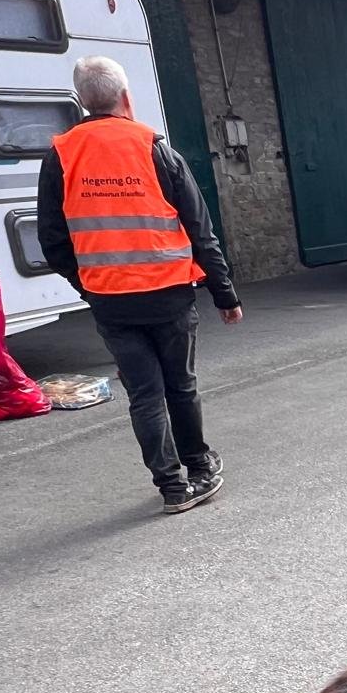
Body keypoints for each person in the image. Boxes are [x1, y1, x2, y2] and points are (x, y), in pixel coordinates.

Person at [38, 55, 242, 514]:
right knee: (180, 385)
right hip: (169, 295)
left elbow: (52, 240)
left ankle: (172, 488)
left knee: (145, 395)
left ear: (80, 101)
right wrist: (224, 294)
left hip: (110, 301)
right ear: (126, 98)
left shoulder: (62, 156)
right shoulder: (155, 149)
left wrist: (88, 283)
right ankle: (200, 469)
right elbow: (199, 230)